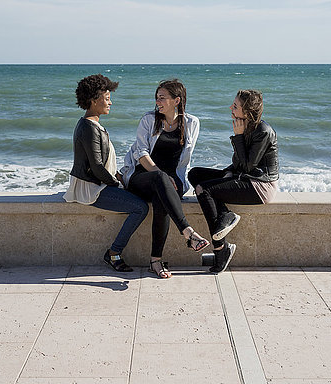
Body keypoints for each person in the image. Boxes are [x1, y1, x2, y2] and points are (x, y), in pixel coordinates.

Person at [121, 79, 209, 279]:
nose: (157, 101)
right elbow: (141, 153)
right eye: (157, 97)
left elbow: (184, 159)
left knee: (163, 198)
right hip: (142, 176)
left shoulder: (191, 123)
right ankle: (187, 232)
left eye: (163, 98)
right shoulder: (149, 120)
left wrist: (168, 179)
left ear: (177, 100)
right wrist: (158, 173)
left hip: (172, 180)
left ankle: (155, 261)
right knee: (161, 180)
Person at [63, 74, 149, 272]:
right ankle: (114, 253)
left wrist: (119, 177)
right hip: (92, 189)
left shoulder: (91, 124)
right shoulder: (88, 127)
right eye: (107, 97)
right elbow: (97, 168)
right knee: (140, 208)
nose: (110, 102)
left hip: (98, 184)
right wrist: (117, 184)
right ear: (94, 100)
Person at [188, 89, 279, 274]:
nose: (231, 107)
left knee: (203, 190)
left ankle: (221, 249)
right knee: (195, 174)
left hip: (260, 186)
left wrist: (238, 137)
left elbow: (247, 166)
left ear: (247, 111)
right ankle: (225, 216)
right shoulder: (246, 127)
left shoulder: (263, 131)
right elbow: (237, 164)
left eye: (235, 106)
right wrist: (227, 174)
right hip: (244, 177)